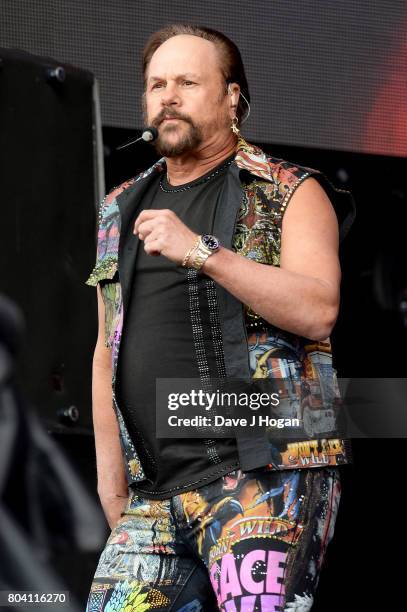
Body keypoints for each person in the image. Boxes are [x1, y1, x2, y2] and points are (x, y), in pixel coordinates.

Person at [85, 24, 355, 612]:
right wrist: (112, 482)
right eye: (156, 84)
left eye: (187, 81)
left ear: (232, 97)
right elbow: (107, 347)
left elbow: (319, 311)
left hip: (269, 471)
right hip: (153, 494)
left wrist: (203, 253)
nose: (168, 97)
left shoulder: (289, 189)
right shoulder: (119, 206)